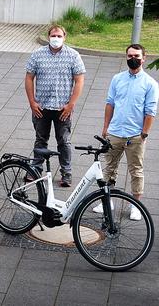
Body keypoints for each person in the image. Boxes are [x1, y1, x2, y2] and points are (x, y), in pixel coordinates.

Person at [95, 44, 158, 220]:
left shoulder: (150, 84)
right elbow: (110, 103)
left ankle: (135, 206)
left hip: (135, 135)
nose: (133, 59)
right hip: (115, 132)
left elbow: (150, 111)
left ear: (144, 58)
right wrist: (106, 127)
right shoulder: (117, 79)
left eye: (136, 56)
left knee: (136, 171)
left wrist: (143, 134)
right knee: (109, 168)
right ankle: (106, 201)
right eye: (130, 56)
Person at [24, 25, 85, 186]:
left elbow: (79, 81)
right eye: (53, 35)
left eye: (59, 36)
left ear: (65, 37)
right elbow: (29, 78)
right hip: (41, 107)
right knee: (40, 140)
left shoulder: (73, 55)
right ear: (48, 36)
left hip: (62, 108)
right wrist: (32, 102)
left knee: (63, 142)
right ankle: (36, 169)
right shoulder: (37, 54)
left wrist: (71, 104)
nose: (56, 39)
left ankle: (66, 173)